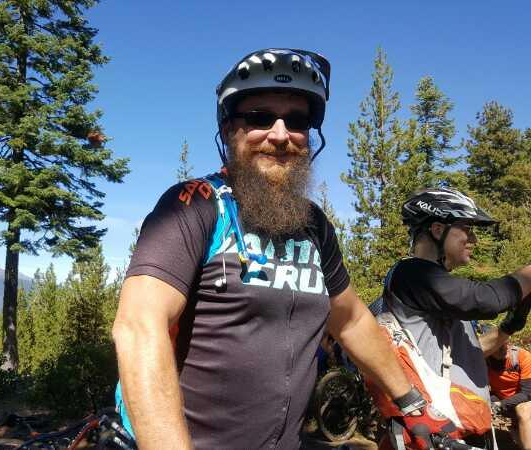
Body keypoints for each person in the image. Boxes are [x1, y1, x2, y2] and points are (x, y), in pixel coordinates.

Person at [111, 48, 453, 450]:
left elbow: (351, 320)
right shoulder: (196, 204)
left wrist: (412, 403)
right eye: (258, 117)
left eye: (296, 120)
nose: (279, 134)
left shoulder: (314, 225)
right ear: (228, 130)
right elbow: (138, 326)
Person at [373, 188, 531, 448]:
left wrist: (510, 325)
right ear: (437, 230)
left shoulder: (438, 295)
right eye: (467, 229)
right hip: (435, 432)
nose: (474, 239)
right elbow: (485, 299)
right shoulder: (413, 273)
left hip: (458, 431)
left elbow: (471, 353)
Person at [481, 325, 531, 449]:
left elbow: (527, 393)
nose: (503, 347)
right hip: (505, 401)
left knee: (523, 410)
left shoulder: (522, 357)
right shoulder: (483, 362)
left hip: (525, 402)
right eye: (497, 345)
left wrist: (500, 405)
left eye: (504, 342)